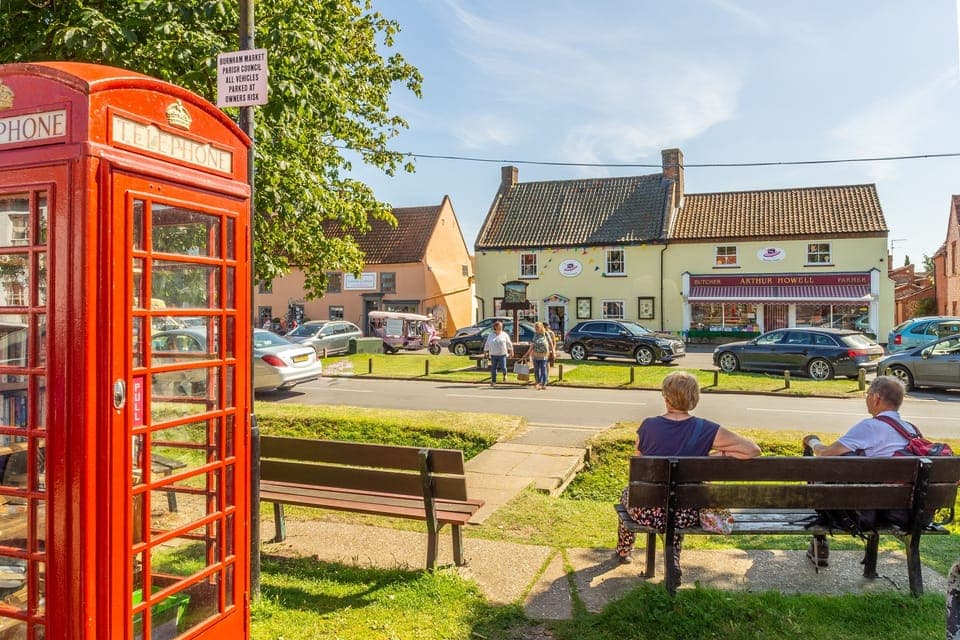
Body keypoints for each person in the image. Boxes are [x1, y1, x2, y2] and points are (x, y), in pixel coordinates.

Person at [616, 371, 761, 574]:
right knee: (678, 502)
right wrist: (712, 457)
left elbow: (640, 468)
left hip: (646, 511)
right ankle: (672, 558)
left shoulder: (648, 426)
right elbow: (752, 450)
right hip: (686, 514)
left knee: (628, 493)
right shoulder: (707, 429)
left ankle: (623, 550)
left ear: (666, 396)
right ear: (694, 398)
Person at [802, 375, 917, 567]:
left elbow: (826, 454)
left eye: (868, 394)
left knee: (822, 478)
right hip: (904, 512)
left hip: (865, 515)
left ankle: (820, 543)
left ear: (876, 398)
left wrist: (812, 441)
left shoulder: (869, 427)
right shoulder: (912, 431)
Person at [483, 321, 513, 386]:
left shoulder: (504, 334)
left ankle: (505, 375)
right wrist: (485, 352)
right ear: (495, 327)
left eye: (501, 327)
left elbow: (509, 343)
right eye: (499, 327)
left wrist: (511, 351)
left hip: (502, 354)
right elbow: (487, 344)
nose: (500, 328)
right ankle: (493, 381)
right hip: (493, 354)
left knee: (503, 367)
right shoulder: (491, 335)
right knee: (493, 368)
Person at [526, 322, 555, 390]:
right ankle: (537, 383)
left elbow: (551, 343)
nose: (536, 329)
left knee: (543, 369)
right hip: (535, 355)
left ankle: (544, 384)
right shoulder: (535, 334)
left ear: (541, 327)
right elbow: (532, 344)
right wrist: (528, 353)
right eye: (535, 328)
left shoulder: (546, 334)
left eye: (537, 328)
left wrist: (553, 352)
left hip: (544, 355)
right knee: (536, 370)